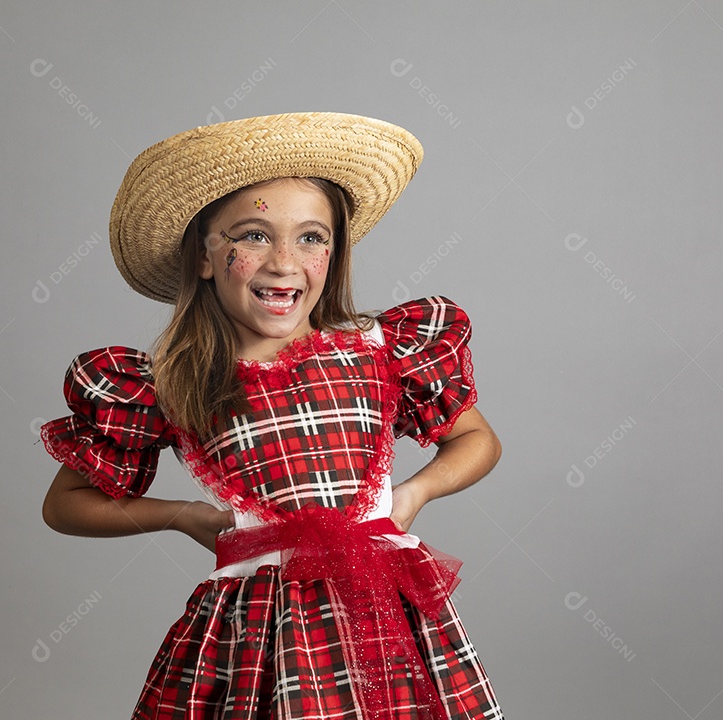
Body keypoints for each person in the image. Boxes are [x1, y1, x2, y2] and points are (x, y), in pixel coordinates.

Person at [40, 112, 504, 719]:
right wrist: (182, 515)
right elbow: (65, 505)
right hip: (257, 634)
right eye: (254, 236)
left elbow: (476, 440)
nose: (284, 262)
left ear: (333, 256)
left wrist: (412, 495)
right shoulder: (171, 382)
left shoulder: (378, 350)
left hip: (384, 615)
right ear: (204, 258)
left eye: (311, 238)